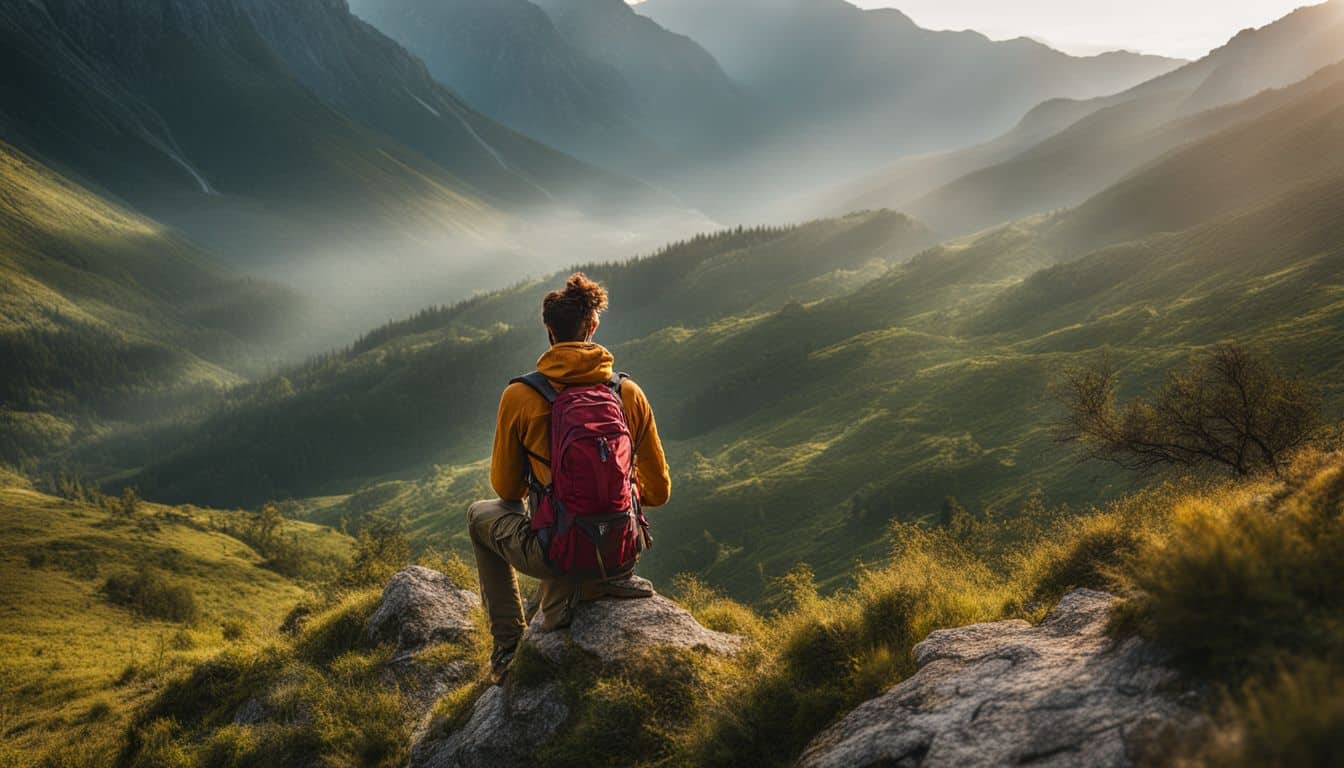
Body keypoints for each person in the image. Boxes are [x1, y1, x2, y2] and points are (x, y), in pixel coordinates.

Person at [467, 272, 671, 684]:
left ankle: (507, 648)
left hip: (558, 555)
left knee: (479, 515)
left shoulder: (521, 396)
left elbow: (506, 490)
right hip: (620, 552)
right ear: (593, 327)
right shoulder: (627, 392)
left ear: (548, 331)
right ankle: (603, 582)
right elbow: (661, 492)